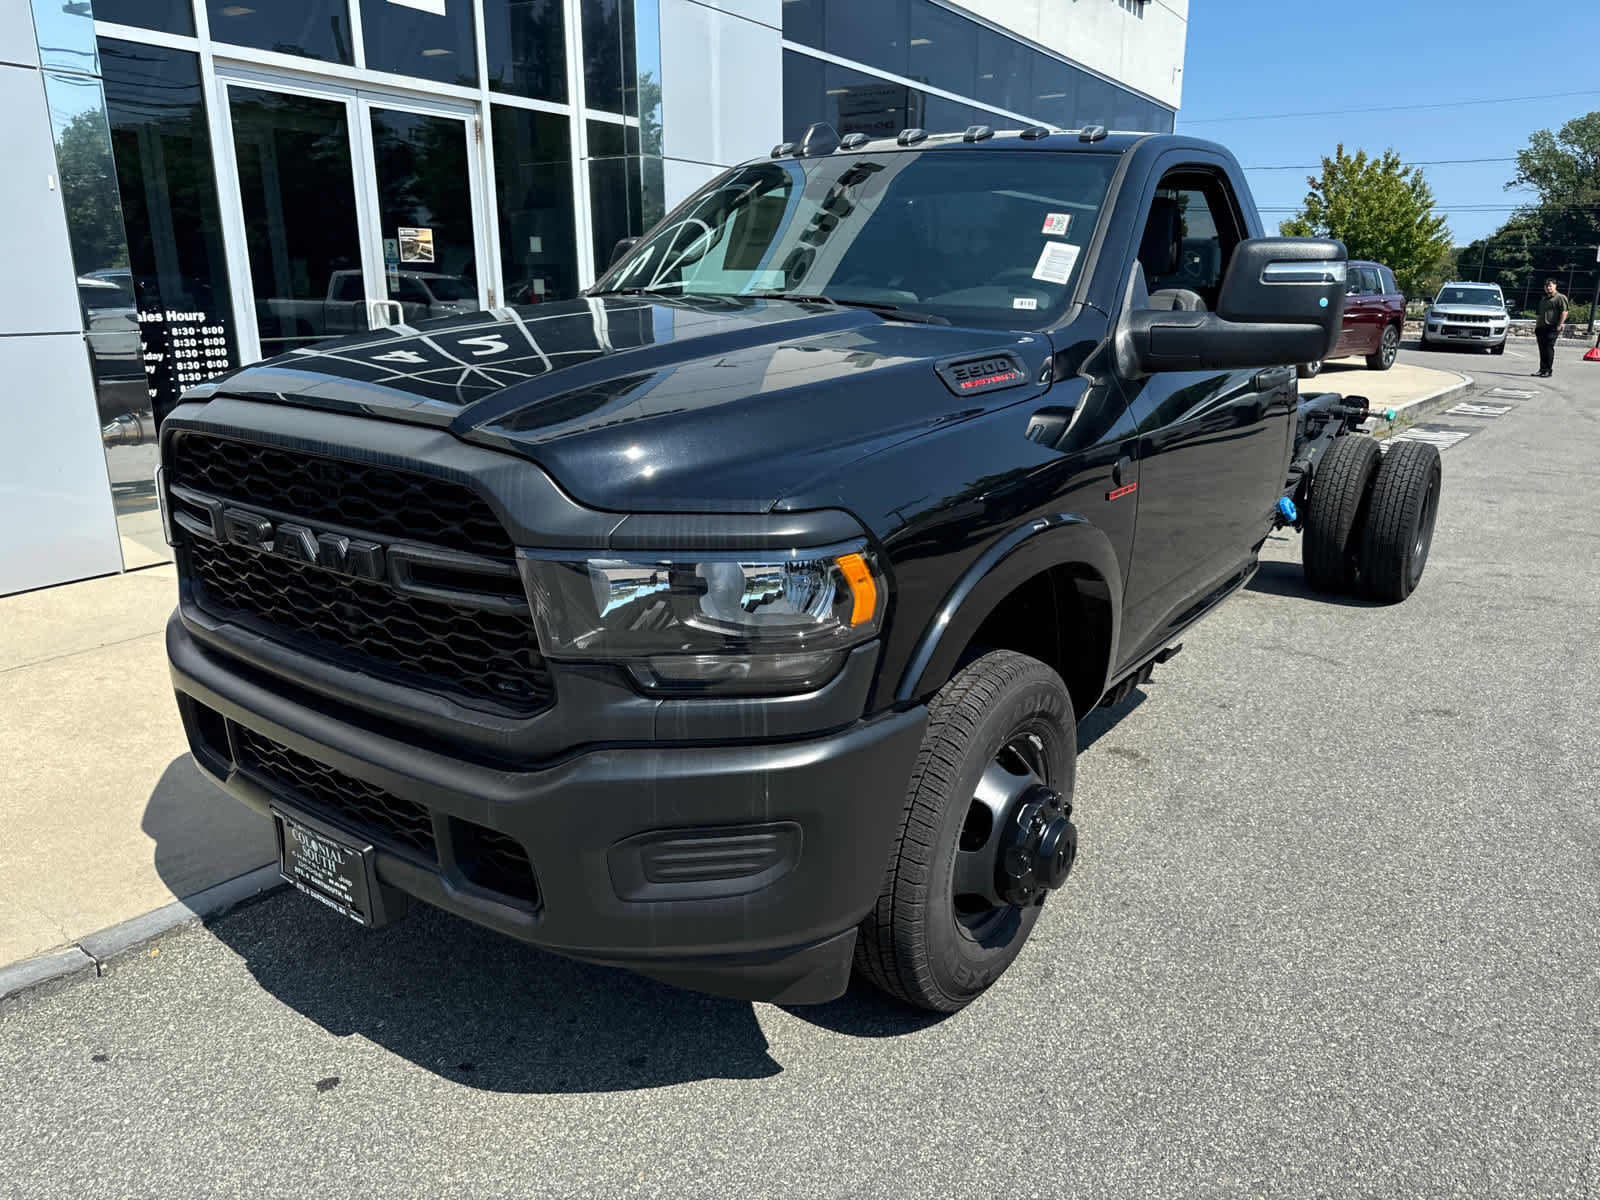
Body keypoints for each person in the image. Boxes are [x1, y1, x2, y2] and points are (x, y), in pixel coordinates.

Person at [1533, 278, 1568, 378]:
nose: (1548, 288)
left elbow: (1564, 312)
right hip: (1541, 327)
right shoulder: (1543, 300)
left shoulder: (1560, 297)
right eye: (1546, 286)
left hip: (1552, 327)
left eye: (1550, 286)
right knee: (1542, 348)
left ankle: (1548, 370)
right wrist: (1537, 327)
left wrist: (1559, 325)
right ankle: (1542, 369)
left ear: (1555, 286)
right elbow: (1539, 315)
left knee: (1548, 348)